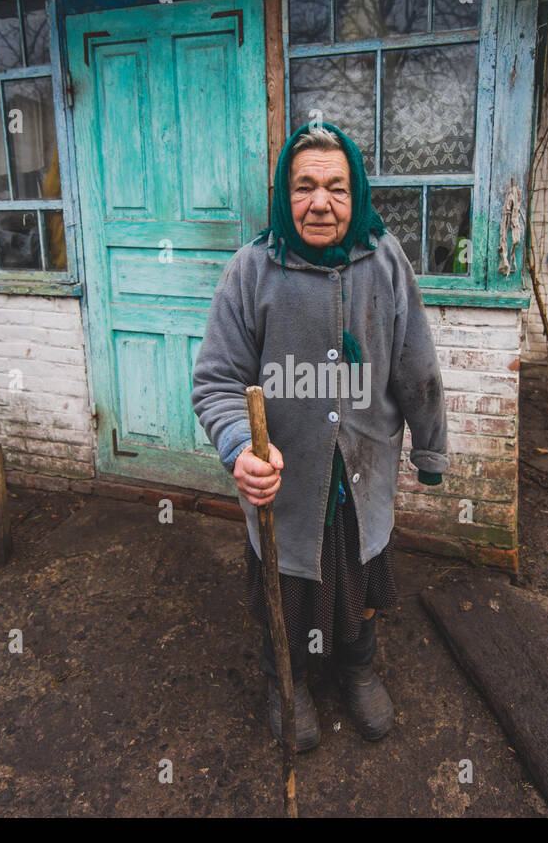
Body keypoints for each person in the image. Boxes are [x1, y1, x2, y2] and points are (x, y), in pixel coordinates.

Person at [191, 122, 449, 750]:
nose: (320, 203)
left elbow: (418, 367)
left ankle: (357, 669)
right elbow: (216, 382)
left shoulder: (385, 261)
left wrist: (431, 448)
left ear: (356, 194)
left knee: (360, 575)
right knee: (288, 584)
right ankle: (292, 679)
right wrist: (236, 447)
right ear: (285, 194)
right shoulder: (252, 269)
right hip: (288, 475)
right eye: (304, 187)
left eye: (336, 187)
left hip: (365, 469)